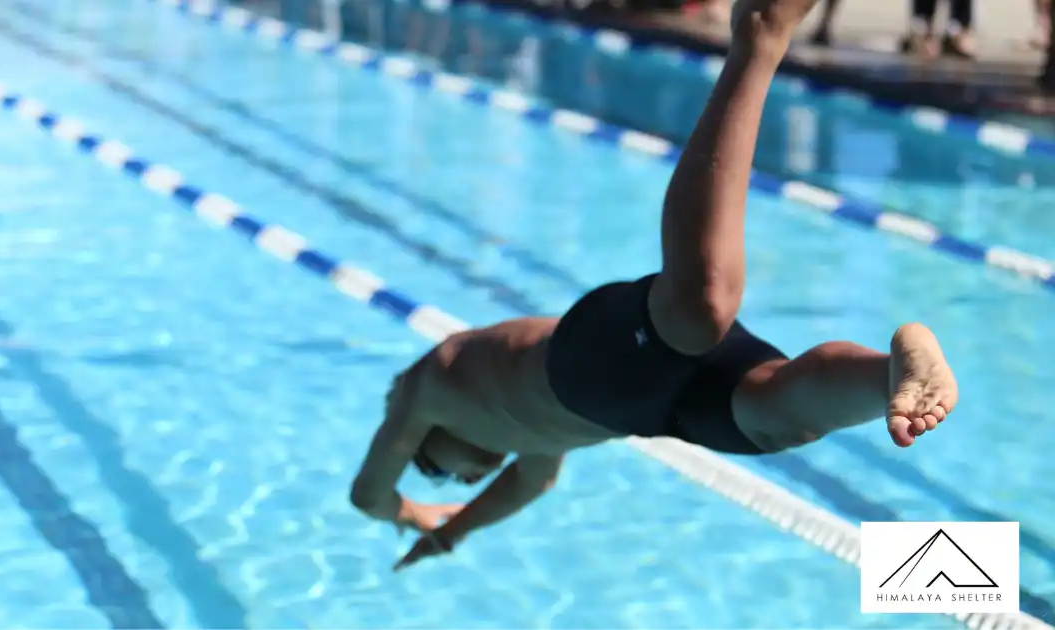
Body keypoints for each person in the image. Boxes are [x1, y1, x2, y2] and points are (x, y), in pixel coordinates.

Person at [350, 0, 958, 571]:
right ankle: (889, 376)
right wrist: (452, 533)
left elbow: (367, 496)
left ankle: (758, 36)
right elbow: (531, 482)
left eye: (438, 471)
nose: (462, 480)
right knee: (778, 416)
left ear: (422, 439)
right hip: (644, 406)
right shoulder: (523, 437)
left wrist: (408, 510)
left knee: (701, 308)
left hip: (587, 363)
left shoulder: (425, 387)